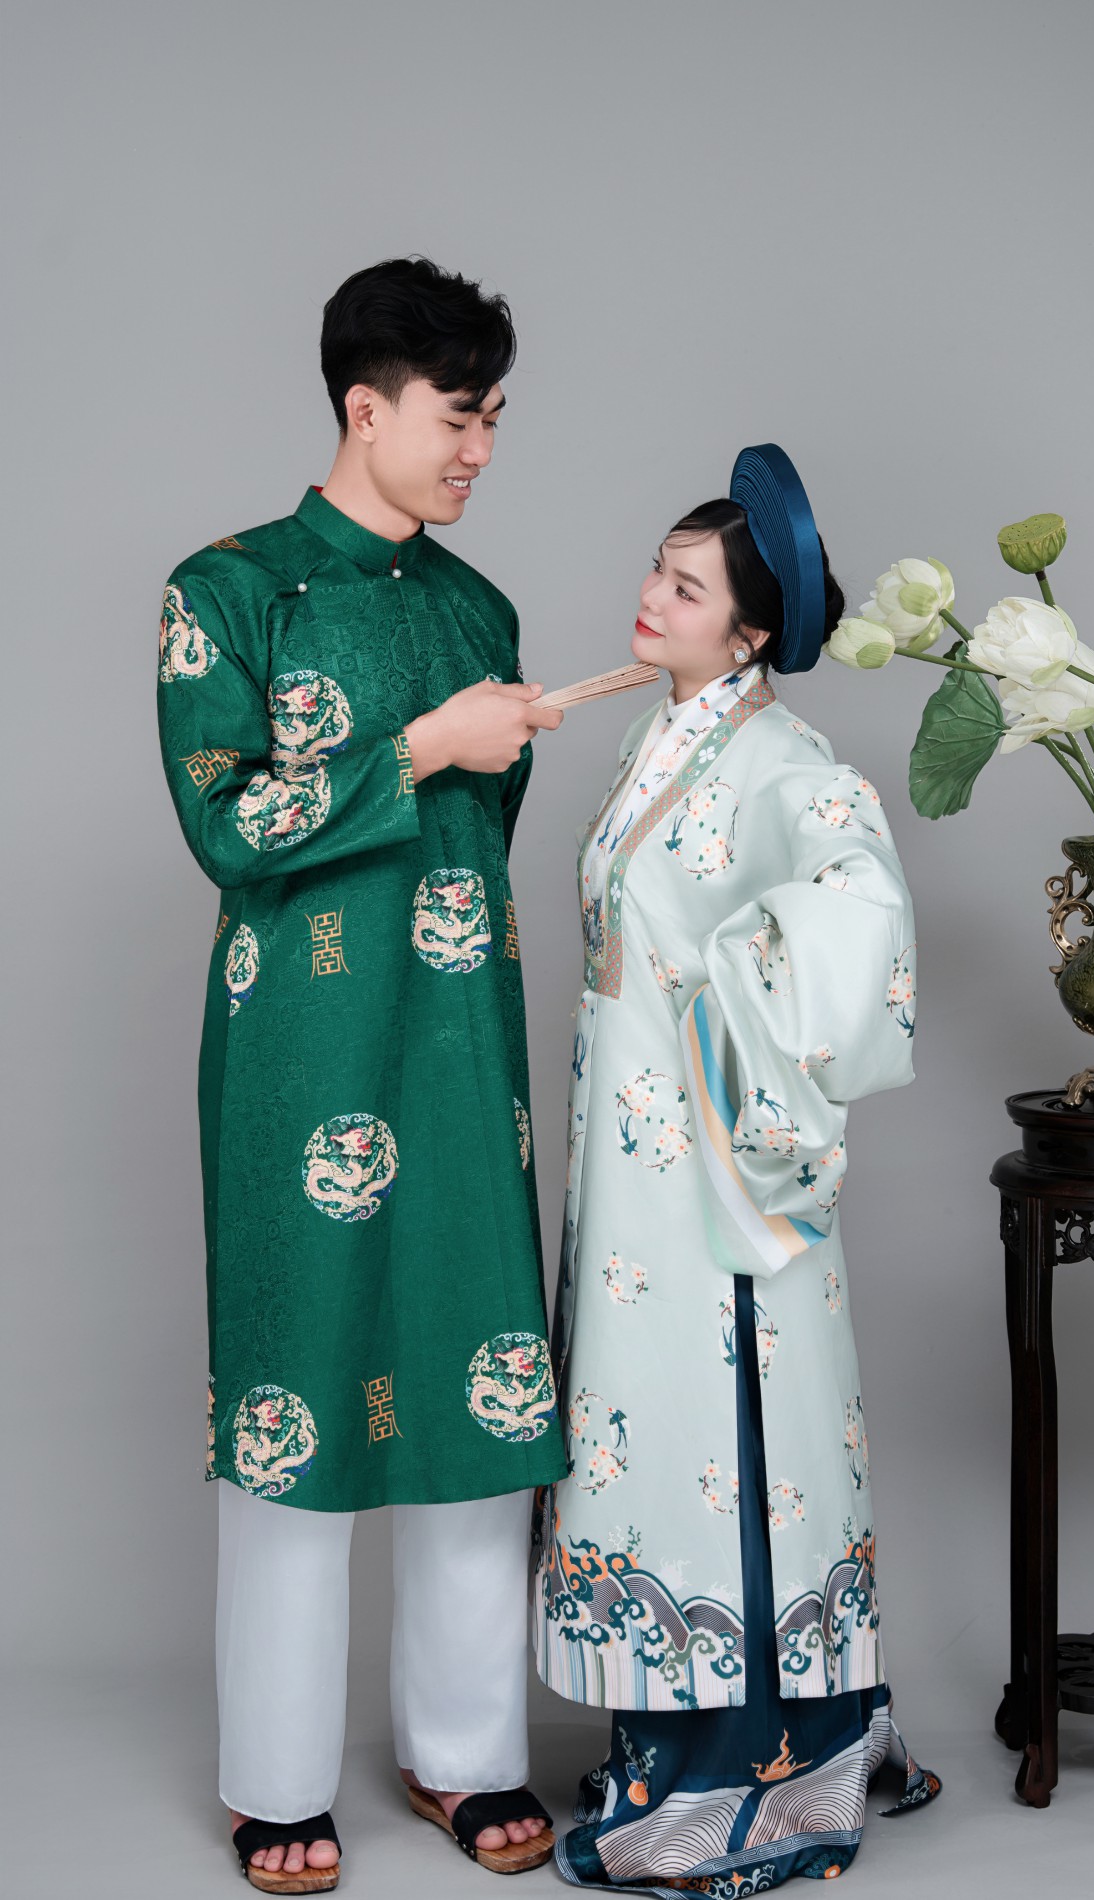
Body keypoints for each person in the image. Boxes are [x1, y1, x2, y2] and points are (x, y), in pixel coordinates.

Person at [158, 257, 565, 1891]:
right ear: (365, 406)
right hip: (298, 1051)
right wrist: (417, 748)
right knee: (296, 1380)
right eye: (459, 417)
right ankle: (275, 1778)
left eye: (494, 419)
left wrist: (458, 757)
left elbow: (487, 842)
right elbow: (228, 827)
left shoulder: (481, 612)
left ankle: (462, 1755)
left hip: (460, 1040)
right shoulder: (227, 589)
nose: (480, 451)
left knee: (480, 1361)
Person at [532, 445, 939, 1891]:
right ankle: (677, 1739)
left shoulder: (782, 761)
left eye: (688, 587)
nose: (653, 595)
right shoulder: (664, 732)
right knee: (653, 1426)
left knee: (725, 1429)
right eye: (659, 566)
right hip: (635, 1168)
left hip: (714, 1171)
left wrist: (734, 1012)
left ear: (752, 631)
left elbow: (864, 912)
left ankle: (752, 1769)